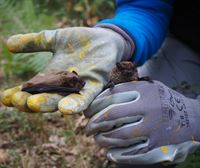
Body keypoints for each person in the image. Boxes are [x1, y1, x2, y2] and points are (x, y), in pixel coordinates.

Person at [1, 0, 200, 167]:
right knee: (134, 117)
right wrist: (120, 35)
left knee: (169, 121)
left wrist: (194, 115)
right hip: (186, 44)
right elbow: (147, 5)